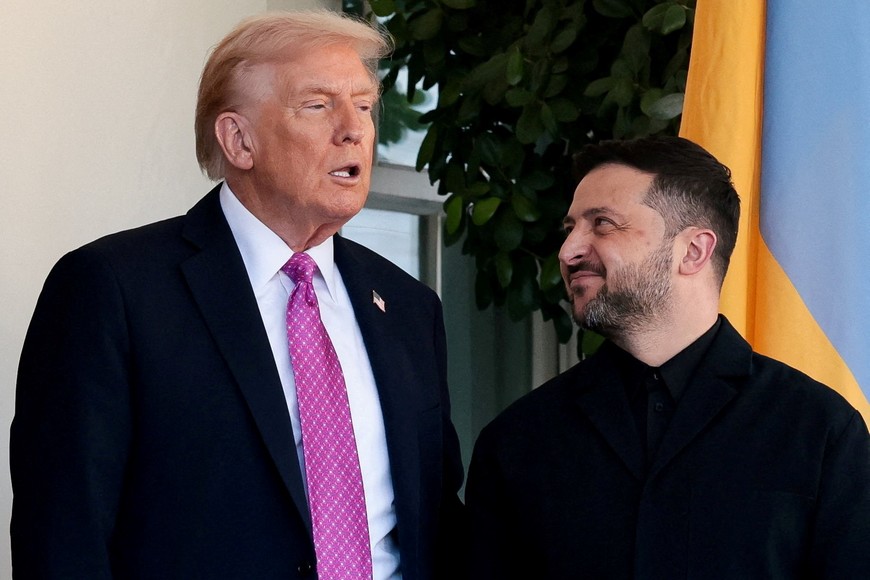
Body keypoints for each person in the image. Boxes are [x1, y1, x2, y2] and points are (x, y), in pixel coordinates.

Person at [11, 11, 465, 580]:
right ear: (239, 140)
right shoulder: (113, 289)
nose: (354, 129)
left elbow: (438, 522)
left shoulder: (408, 307)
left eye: (366, 106)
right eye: (318, 105)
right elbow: (63, 535)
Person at [466, 136, 870, 579]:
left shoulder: (819, 431)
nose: (568, 251)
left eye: (602, 224)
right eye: (570, 229)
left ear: (693, 251)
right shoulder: (518, 441)